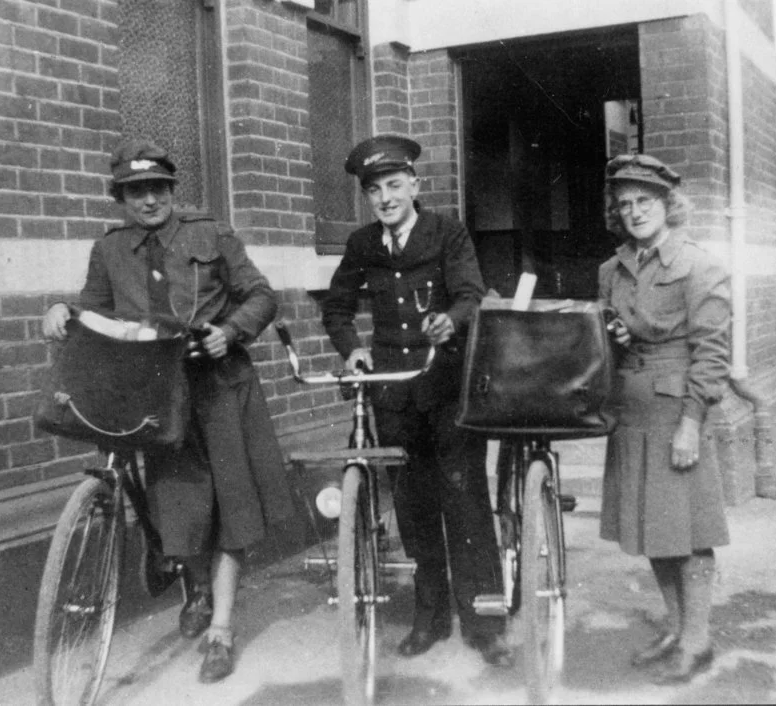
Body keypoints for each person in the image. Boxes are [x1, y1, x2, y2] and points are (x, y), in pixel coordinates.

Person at [41, 139, 294, 684]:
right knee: (178, 503)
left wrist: (230, 332)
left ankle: (221, 631)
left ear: (171, 191)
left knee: (230, 506)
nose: (149, 200)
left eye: (157, 188)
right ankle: (196, 584)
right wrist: (61, 308)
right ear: (121, 198)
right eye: (136, 192)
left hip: (219, 387)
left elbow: (261, 296)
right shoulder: (109, 250)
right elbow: (94, 306)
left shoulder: (211, 233)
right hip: (157, 393)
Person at [321, 135, 512, 667]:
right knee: (413, 504)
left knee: (465, 498)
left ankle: (485, 622)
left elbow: (471, 294)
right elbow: (336, 308)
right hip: (392, 392)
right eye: (375, 190)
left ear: (414, 186)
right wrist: (352, 350)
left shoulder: (447, 233)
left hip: (447, 385)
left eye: (394, 185)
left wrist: (450, 320)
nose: (385, 198)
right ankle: (429, 618)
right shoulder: (362, 246)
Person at [598, 153, 732, 683]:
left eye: (644, 202)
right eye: (624, 204)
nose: (634, 212)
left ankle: (697, 642)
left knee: (690, 534)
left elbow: (712, 353)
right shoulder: (611, 269)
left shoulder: (701, 265)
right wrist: (618, 335)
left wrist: (692, 424)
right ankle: (676, 629)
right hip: (631, 413)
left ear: (668, 205)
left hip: (678, 413)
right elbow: (613, 329)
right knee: (653, 529)